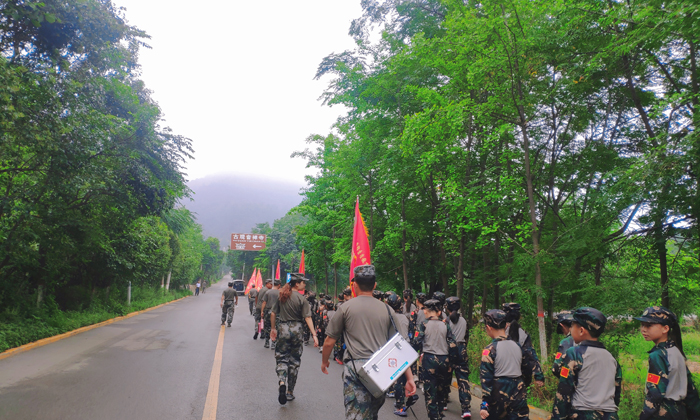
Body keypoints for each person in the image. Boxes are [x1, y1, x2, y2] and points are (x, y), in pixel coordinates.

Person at [322, 265, 416, 420]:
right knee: (371, 414)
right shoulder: (387, 310)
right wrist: (410, 379)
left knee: (356, 414)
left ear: (355, 285)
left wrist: (324, 361)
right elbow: (400, 346)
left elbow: (329, 342)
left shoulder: (345, 308)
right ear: (375, 285)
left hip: (356, 370)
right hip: (380, 371)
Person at [551, 307, 622, 420]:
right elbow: (616, 393)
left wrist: (557, 417)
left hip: (583, 414)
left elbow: (564, 391)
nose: (570, 329)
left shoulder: (574, 353)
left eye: (572, 326)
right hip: (610, 415)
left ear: (581, 330)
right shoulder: (611, 358)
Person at [634, 306, 700, 420]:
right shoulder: (677, 352)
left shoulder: (658, 355)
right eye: (642, 325)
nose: (643, 329)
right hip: (680, 412)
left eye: (649, 325)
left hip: (664, 413)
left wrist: (644, 416)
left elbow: (654, 393)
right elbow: (690, 390)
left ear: (665, 329)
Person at [480, 309, 538, 420]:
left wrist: (484, 405)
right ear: (506, 326)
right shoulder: (517, 346)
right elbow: (527, 370)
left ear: (488, 327)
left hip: (498, 394)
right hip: (518, 392)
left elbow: (486, 379)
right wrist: (522, 386)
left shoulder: (490, 350)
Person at [270, 274, 319, 405]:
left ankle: (281, 381)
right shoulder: (302, 299)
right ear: (297, 283)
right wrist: (314, 335)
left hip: (283, 328)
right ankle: (290, 392)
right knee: (294, 360)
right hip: (297, 330)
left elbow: (273, 313)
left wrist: (273, 328)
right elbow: (308, 317)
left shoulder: (281, 295)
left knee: (281, 357)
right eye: (303, 282)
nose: (305, 285)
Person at [411, 299, 458, 420]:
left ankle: (433, 417)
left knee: (430, 392)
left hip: (429, 359)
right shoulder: (445, 325)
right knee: (441, 391)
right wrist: (451, 363)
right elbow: (453, 345)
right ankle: (440, 414)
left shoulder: (424, 324)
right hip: (444, 360)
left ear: (426, 311)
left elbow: (416, 342)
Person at [502, 302, 545, 385]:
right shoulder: (523, 334)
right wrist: (538, 375)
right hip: (519, 378)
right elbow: (531, 355)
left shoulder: (499, 331)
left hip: (502, 377)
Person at [446, 296, 471, 419]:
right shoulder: (464, 321)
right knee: (463, 379)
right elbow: (467, 336)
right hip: (462, 349)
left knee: (446, 376)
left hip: (449, 349)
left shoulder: (446, 321)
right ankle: (466, 408)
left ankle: (444, 400)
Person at [384, 292, 409, 410]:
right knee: (403, 376)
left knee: (397, 377)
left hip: (394, 348)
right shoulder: (405, 317)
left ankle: (400, 405)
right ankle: (402, 399)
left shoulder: (388, 317)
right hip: (406, 347)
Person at [552, 311, 575, 378]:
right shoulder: (588, 339)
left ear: (562, 326)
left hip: (573, 384)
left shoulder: (566, 342)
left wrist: (565, 379)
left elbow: (556, 368)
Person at [260, 280, 281, 349]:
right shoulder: (280, 293)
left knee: (267, 327)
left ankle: (266, 342)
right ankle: (273, 343)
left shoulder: (268, 292)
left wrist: (262, 311)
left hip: (268, 311)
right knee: (276, 327)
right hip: (277, 312)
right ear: (279, 285)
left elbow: (264, 302)